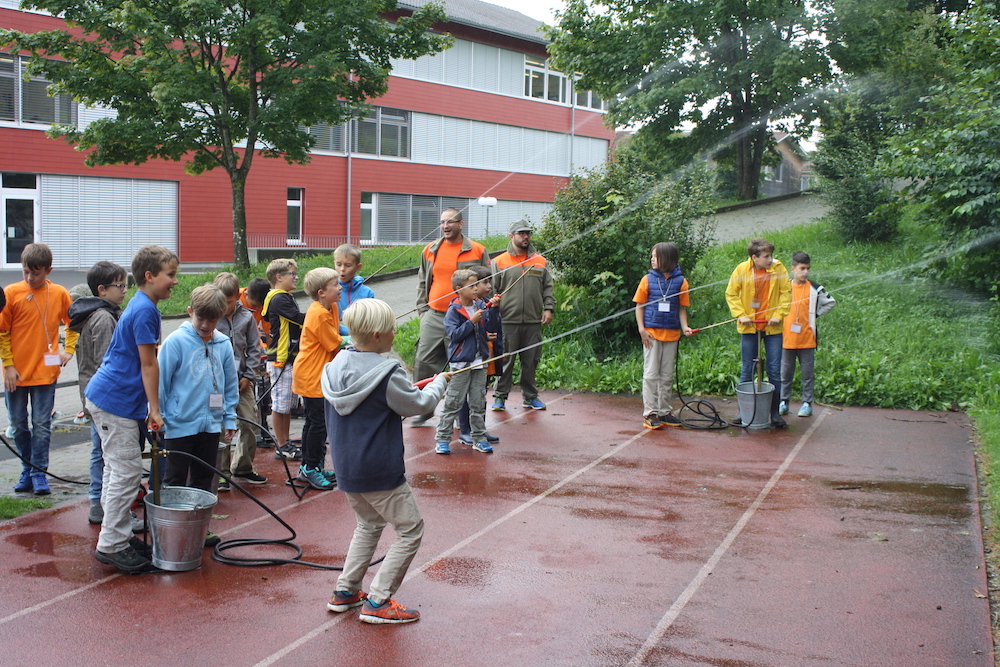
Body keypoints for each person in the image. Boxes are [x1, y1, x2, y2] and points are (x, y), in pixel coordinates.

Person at [322, 298, 450, 624]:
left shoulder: (333, 365)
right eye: (392, 328)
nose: (396, 331)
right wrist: (438, 384)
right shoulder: (387, 371)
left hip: (347, 467)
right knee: (411, 529)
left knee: (369, 524)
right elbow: (418, 404)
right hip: (380, 469)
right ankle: (378, 600)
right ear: (377, 335)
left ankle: (346, 591)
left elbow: (390, 399)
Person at [87, 244, 178, 573]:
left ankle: (117, 535)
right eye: (171, 275)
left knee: (116, 470)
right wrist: (154, 409)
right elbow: (148, 363)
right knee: (125, 472)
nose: (175, 282)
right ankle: (111, 544)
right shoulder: (144, 310)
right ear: (150, 276)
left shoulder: (144, 305)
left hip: (113, 399)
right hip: (115, 401)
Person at [159, 284, 238, 549]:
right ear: (190, 312)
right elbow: (162, 382)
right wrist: (158, 414)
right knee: (174, 478)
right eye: (200, 318)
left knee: (205, 479)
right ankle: (169, 526)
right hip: (179, 425)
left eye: (212, 319)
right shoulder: (175, 342)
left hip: (211, 425)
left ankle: (200, 527)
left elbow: (229, 384)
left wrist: (229, 418)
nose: (205, 324)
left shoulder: (223, 344)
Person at [0, 243, 78, 496]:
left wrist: (69, 350)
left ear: (48, 270)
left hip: (46, 374)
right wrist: (8, 365)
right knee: (19, 425)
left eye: (36, 273)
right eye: (26, 272)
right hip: (17, 375)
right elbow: (2, 332)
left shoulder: (59, 294)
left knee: (42, 425)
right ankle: (27, 468)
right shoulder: (11, 293)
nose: (30, 278)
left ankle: (39, 472)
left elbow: (73, 322)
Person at [67, 261, 140, 527]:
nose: (124, 291)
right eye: (120, 286)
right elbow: (108, 362)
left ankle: (99, 501)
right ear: (101, 289)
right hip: (105, 396)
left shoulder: (92, 313)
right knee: (107, 454)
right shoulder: (103, 318)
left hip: (90, 390)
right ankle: (104, 505)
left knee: (100, 450)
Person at [411, 207, 489, 425]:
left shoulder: (477, 250)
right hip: (434, 315)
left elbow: (486, 283)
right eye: (442, 222)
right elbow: (422, 281)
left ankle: (460, 417)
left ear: (461, 224)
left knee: (463, 364)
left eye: (450, 222)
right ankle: (424, 408)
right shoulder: (430, 249)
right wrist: (422, 309)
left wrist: (482, 311)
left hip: (464, 316)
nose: (445, 226)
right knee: (423, 360)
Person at [725, 237, 792, 428]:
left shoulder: (779, 269)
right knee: (747, 369)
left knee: (774, 370)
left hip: (772, 328)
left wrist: (779, 314)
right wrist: (741, 315)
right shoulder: (741, 270)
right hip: (749, 327)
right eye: (766, 256)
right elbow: (731, 293)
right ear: (754, 258)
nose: (770, 259)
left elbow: (786, 293)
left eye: (770, 255)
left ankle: (775, 413)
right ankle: (743, 411)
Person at [490, 219, 555, 412]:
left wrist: (549, 308)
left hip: (533, 321)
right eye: (521, 233)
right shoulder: (499, 261)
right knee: (505, 361)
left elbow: (548, 287)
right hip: (507, 321)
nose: (525, 236)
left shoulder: (539, 260)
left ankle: (530, 396)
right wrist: (492, 315)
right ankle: (500, 397)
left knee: (530, 361)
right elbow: (491, 290)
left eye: (528, 233)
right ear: (511, 236)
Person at [213, 272, 267, 490]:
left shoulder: (246, 317)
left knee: (249, 421)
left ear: (238, 296)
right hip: (217, 384)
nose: (224, 307)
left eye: (228, 302)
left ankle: (243, 467)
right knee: (219, 426)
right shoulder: (211, 316)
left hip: (242, 381)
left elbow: (255, 348)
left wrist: (248, 376)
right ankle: (222, 472)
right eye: (221, 302)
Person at [291, 267, 342, 491]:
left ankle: (312, 466)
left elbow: (338, 331)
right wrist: (363, 336)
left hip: (320, 374)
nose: (340, 288)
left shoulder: (330, 306)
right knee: (318, 424)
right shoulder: (318, 313)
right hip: (311, 375)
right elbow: (336, 342)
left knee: (315, 422)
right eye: (335, 285)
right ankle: (310, 468)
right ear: (321, 292)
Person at [633, 242, 693, 430]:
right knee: (651, 374)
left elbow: (682, 308)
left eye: (655, 256)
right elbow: (639, 306)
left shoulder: (681, 281)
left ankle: (664, 411)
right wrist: (642, 329)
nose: (652, 259)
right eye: (651, 256)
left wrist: (685, 327)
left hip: (672, 334)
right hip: (651, 334)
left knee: (666, 375)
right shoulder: (647, 280)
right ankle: (650, 413)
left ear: (666, 259)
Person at [434, 270, 493, 455]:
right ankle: (442, 439)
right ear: (459, 290)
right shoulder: (453, 311)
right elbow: (455, 335)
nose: (477, 289)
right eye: (472, 285)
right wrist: (471, 322)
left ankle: (479, 438)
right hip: (460, 363)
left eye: (477, 284)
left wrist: (488, 329)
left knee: (478, 402)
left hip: (479, 361)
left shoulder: (480, 305)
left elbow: (488, 325)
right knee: (453, 402)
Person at [779, 252, 836, 418]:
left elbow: (830, 302)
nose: (805, 272)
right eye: (802, 268)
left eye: (807, 269)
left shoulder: (815, 288)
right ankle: (784, 402)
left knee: (807, 374)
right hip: (787, 339)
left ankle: (807, 403)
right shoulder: (785, 287)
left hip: (807, 339)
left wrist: (815, 314)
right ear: (793, 269)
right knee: (785, 373)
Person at [261, 259, 305, 460]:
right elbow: (299, 318)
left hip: (288, 359)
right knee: (280, 404)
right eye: (292, 274)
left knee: (287, 404)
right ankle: (282, 444)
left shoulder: (285, 297)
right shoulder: (279, 299)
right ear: (279, 277)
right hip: (280, 359)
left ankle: (286, 441)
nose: (296, 277)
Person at [457, 264, 502, 445]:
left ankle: (479, 429)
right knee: (464, 395)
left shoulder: (484, 303)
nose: (488, 287)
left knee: (480, 393)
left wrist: (494, 308)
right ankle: (464, 429)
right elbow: (457, 333)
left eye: (488, 282)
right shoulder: (458, 307)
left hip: (485, 354)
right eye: (484, 283)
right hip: (467, 358)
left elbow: (490, 326)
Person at [334, 243, 375, 340]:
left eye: (348, 265)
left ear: (358, 267)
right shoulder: (328, 290)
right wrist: (346, 331)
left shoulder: (367, 293)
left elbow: (371, 321)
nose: (342, 269)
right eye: (338, 264)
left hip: (360, 342)